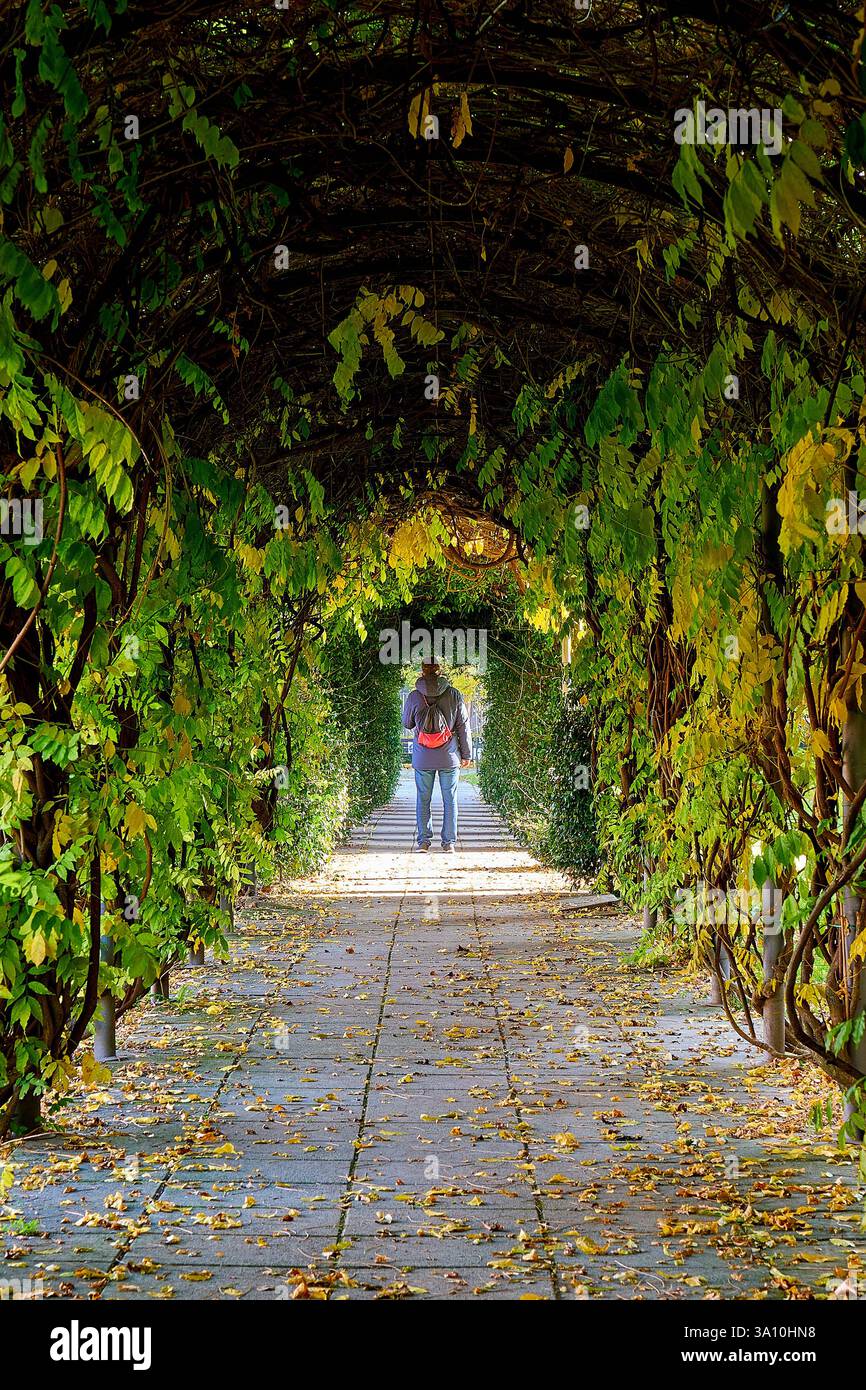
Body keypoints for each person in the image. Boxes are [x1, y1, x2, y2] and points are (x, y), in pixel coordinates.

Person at [402, 659, 472, 852]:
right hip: (449, 756)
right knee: (450, 798)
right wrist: (466, 754)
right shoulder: (454, 695)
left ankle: (424, 842)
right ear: (440, 672)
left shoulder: (414, 696)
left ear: (422, 672)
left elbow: (407, 723)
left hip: (423, 757)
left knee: (423, 798)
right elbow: (463, 727)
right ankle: (449, 843)